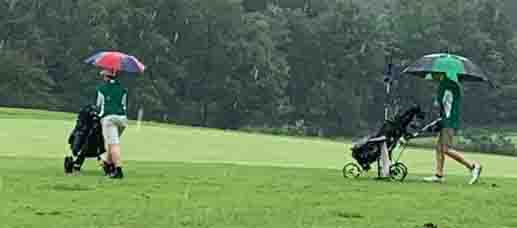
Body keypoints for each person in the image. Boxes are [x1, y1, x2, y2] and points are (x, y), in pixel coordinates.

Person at [424, 73, 482, 184]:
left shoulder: (444, 85)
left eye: (434, 74)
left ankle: (473, 166)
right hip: (450, 119)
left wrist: (436, 103)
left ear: (440, 73)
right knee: (439, 148)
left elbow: (438, 103)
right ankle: (439, 175)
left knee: (446, 149)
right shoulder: (454, 84)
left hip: (448, 121)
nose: (432, 76)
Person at [96, 69, 128, 179]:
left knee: (113, 145)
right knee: (111, 143)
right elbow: (123, 105)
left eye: (104, 75)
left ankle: (118, 171)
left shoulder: (101, 88)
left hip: (109, 119)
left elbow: (99, 104)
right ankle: (107, 164)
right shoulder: (123, 89)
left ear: (106, 76)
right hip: (122, 119)